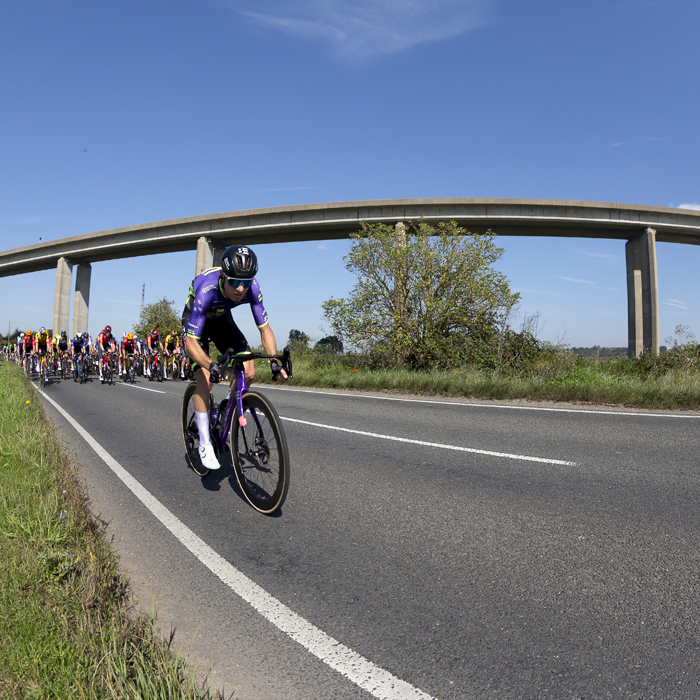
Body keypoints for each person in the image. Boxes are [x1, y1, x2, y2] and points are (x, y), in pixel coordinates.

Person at [182, 244, 287, 470]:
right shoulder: (207, 290)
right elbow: (191, 343)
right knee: (205, 377)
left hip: (221, 321)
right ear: (223, 276)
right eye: (235, 282)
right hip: (197, 322)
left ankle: (225, 410)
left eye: (246, 282)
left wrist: (274, 362)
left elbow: (265, 329)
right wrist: (211, 364)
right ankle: (205, 442)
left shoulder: (252, 288)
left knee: (248, 372)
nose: (240, 289)